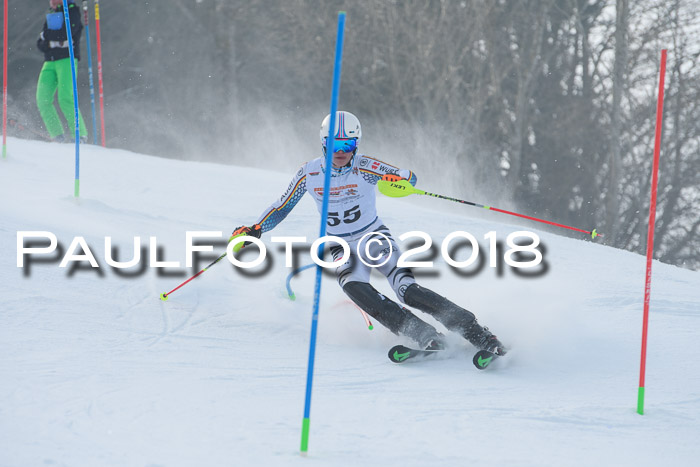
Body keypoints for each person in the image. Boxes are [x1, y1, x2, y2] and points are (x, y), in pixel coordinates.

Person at [232, 111, 506, 355]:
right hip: (339, 247)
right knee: (354, 287)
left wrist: (397, 180)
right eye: (335, 145)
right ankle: (422, 334)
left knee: (407, 290)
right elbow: (282, 207)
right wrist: (255, 230)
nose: (342, 151)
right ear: (324, 143)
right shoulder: (309, 173)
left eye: (348, 145)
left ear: (356, 144)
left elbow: (407, 176)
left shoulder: (365, 167)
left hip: (373, 237)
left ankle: (477, 333)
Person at [36, 0, 88, 143]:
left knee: (65, 98)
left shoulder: (72, 11)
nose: (51, 2)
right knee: (43, 99)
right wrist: (49, 38)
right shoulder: (52, 14)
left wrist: (49, 36)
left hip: (67, 60)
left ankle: (79, 134)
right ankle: (57, 134)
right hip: (50, 61)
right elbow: (41, 42)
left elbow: (66, 34)